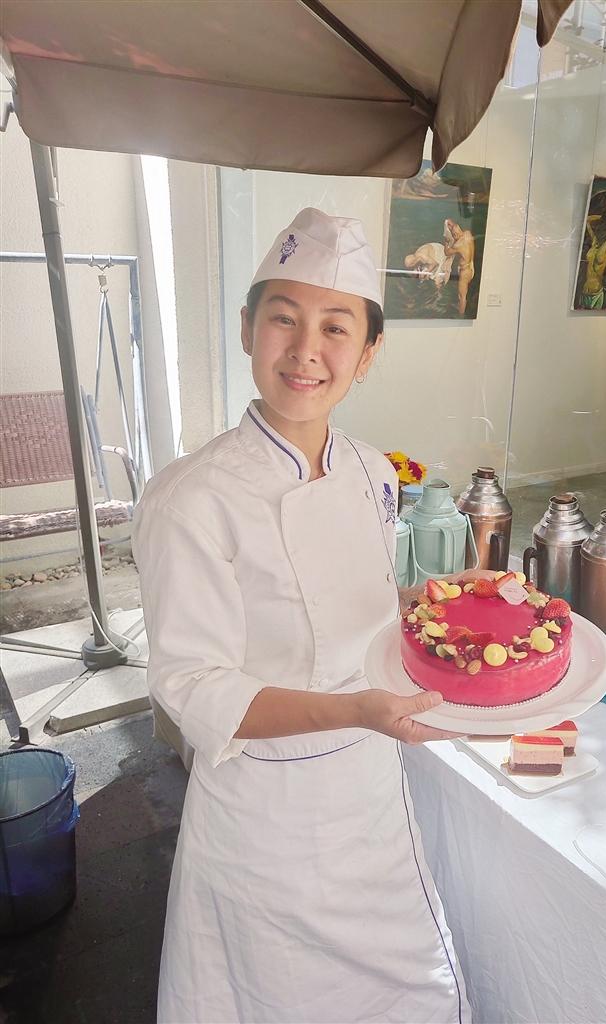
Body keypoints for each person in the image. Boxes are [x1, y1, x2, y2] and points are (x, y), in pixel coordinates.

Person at [133, 208, 472, 1023]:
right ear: (247, 329)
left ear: (368, 353)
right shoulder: (191, 499)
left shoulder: (370, 470)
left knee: (404, 987)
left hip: (368, 790)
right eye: (283, 319)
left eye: (335, 327)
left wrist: (419, 605)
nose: (305, 350)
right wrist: (355, 710)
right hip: (265, 813)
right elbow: (194, 686)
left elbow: (346, 602)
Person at [443, 218, 475, 316]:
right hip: (471, 268)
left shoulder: (458, 245)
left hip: (465, 272)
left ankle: (461, 316)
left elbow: (447, 253)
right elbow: (454, 226)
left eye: (453, 235)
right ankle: (461, 309)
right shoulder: (468, 233)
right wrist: (448, 223)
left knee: (462, 296)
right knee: (463, 295)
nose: (453, 236)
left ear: (455, 235)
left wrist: (446, 242)